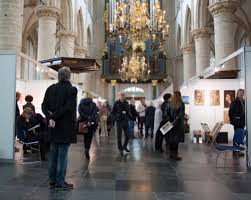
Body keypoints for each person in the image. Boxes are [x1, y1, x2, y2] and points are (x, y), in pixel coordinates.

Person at [42, 67, 78, 191]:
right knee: (62, 155)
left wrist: (50, 117)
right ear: (69, 76)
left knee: (53, 154)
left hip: (53, 126)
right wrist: (54, 117)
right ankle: (60, 182)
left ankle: (52, 180)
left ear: (58, 76)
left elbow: (43, 106)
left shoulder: (50, 88)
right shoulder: (71, 90)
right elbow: (68, 107)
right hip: (65, 127)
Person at [78, 95, 98, 160]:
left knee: (85, 136)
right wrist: (90, 119)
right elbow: (94, 113)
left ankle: (85, 147)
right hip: (91, 122)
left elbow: (80, 112)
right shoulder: (93, 104)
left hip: (83, 122)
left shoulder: (81, 104)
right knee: (90, 136)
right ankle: (87, 148)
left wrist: (86, 117)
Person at [167, 91, 185, 160]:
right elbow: (180, 115)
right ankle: (175, 154)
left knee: (171, 139)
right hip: (177, 125)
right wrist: (174, 122)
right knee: (176, 140)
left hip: (170, 124)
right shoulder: (181, 104)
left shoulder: (170, 104)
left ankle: (171, 154)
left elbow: (166, 114)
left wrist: (170, 122)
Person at [229, 89, 245, 156]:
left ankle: (236, 150)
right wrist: (233, 119)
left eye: (242, 93)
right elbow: (230, 112)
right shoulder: (235, 101)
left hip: (242, 121)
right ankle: (236, 150)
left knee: (239, 134)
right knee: (237, 134)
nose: (241, 94)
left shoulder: (244, 101)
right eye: (239, 93)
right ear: (237, 94)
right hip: (237, 122)